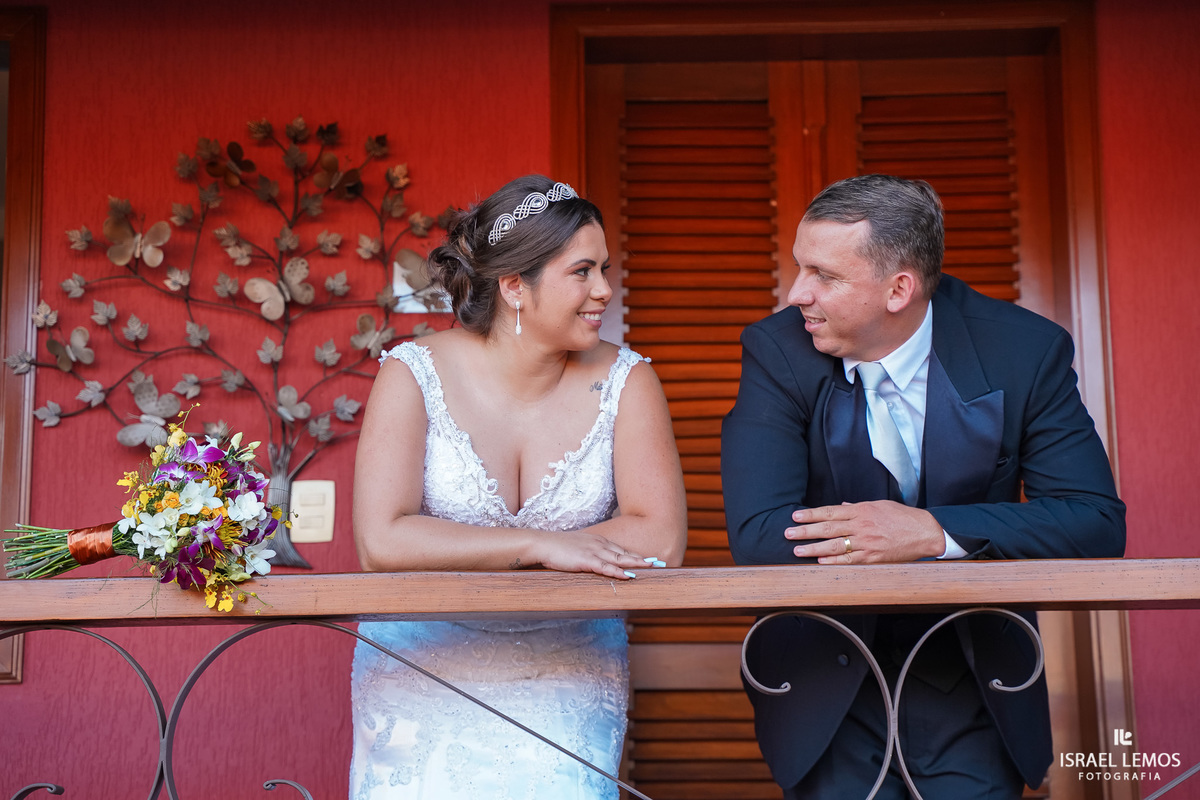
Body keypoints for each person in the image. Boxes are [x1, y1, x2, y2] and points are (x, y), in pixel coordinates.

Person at [721, 175, 1125, 799]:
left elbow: (1094, 521)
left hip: (977, 682)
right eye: (800, 267)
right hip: (827, 687)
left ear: (899, 289)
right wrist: (868, 538)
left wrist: (934, 533)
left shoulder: (1024, 350)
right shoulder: (777, 351)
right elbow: (757, 534)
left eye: (824, 275)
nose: (798, 293)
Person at [350, 174, 687, 799]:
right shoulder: (411, 373)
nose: (604, 290)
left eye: (604, 270)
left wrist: (539, 548)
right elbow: (382, 541)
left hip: (569, 671)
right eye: (582, 272)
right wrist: (539, 545)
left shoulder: (628, 380)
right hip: (421, 670)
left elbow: (661, 538)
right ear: (514, 287)